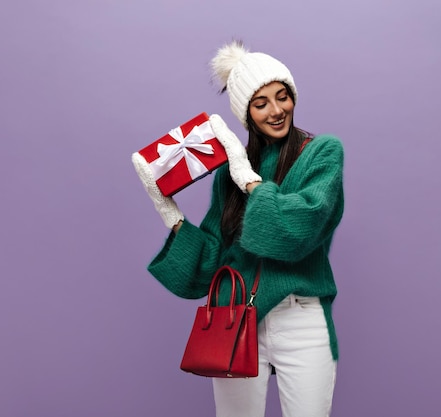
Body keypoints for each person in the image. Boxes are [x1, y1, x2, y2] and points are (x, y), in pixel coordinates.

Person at [132, 40, 344, 417]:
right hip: (233, 321)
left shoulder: (322, 153)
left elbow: (300, 228)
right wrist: (171, 215)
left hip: (301, 318)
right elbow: (213, 258)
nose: (277, 111)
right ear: (245, 113)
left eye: (283, 97)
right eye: (261, 103)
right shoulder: (229, 173)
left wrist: (248, 179)